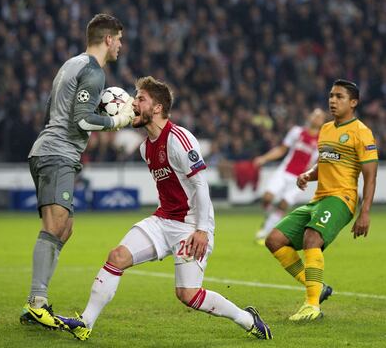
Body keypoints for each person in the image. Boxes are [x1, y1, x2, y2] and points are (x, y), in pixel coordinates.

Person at [56, 76, 273, 340]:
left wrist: (202, 230)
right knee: (117, 257)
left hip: (192, 225)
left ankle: (247, 319)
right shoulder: (145, 148)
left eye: (140, 99)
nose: (132, 104)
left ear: (157, 108)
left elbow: (200, 186)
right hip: (162, 220)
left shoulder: (179, 139)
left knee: (187, 294)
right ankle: (85, 323)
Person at [20, 13, 135, 329]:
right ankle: (36, 302)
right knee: (55, 225)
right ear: (108, 39)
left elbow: (53, 108)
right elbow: (81, 121)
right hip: (57, 153)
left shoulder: (70, 65)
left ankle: (35, 301)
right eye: (120, 39)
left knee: (65, 228)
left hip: (50, 150)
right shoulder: (94, 72)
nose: (121, 46)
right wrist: (116, 121)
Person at [265, 79, 378, 322]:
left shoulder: (361, 132)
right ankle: (318, 286)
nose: (332, 101)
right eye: (331, 96)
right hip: (319, 199)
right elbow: (326, 161)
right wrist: (309, 174)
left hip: (342, 198)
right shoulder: (326, 129)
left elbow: (370, 175)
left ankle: (312, 305)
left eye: (339, 97)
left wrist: (365, 211)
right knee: (274, 240)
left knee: (311, 237)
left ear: (354, 102)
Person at [253, 108, 326, 245]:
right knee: (267, 197)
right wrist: (264, 158)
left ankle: (265, 232)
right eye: (314, 115)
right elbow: (282, 149)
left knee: (283, 204)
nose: (316, 118)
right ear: (310, 117)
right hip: (284, 171)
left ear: (323, 121)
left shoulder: (322, 141)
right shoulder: (297, 132)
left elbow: (317, 163)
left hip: (299, 178)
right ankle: (269, 218)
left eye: (319, 116)